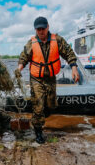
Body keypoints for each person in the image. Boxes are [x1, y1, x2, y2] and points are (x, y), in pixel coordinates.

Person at [16, 16, 80, 144]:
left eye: (43, 29)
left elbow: (68, 53)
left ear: (48, 27)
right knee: (38, 104)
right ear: (35, 30)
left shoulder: (58, 40)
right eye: (38, 29)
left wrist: (74, 68)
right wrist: (19, 68)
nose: (41, 32)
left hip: (50, 78)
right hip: (36, 79)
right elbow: (24, 57)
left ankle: (41, 116)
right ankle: (38, 131)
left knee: (50, 105)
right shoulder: (31, 42)